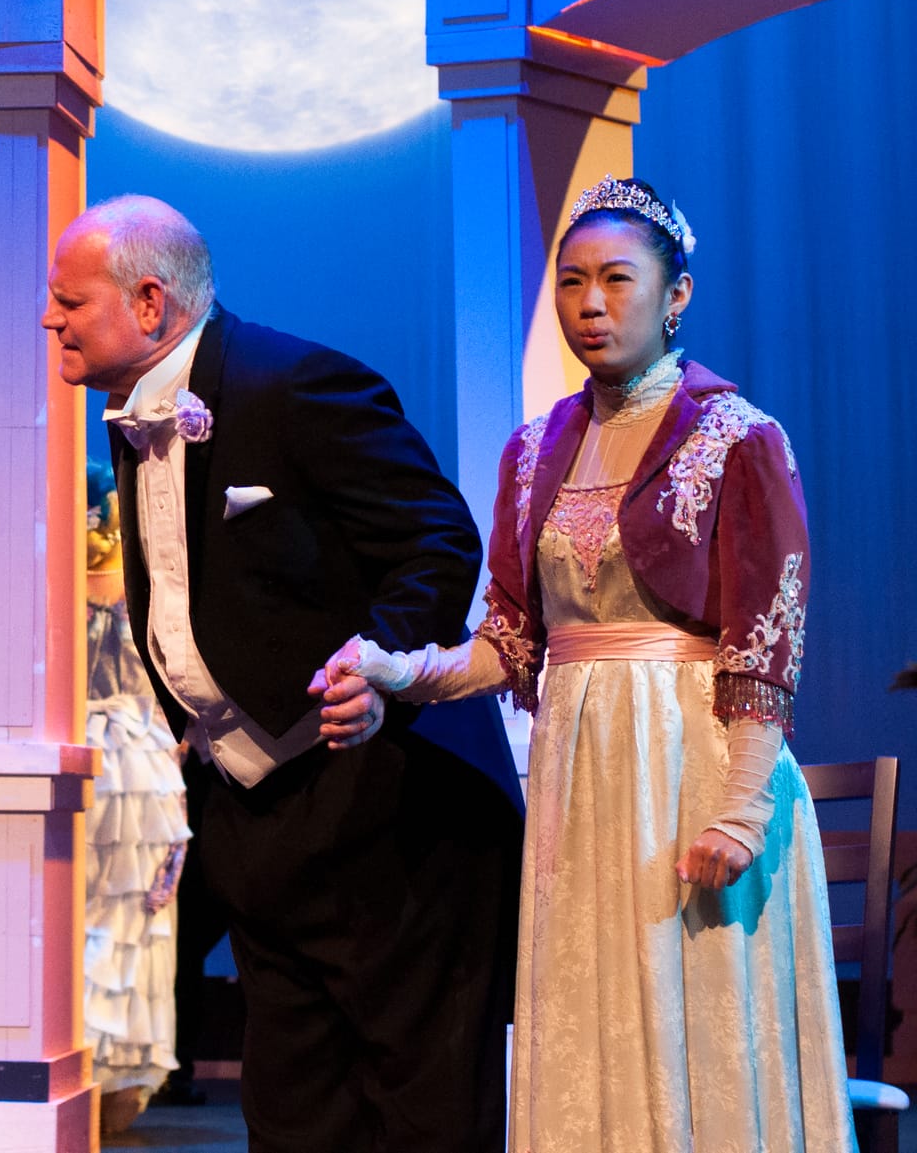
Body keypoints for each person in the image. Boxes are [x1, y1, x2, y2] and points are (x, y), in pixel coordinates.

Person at [327, 176, 855, 1151]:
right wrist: (402, 672)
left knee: (692, 1023)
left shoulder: (737, 438)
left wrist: (739, 807)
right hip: (581, 774)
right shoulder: (533, 452)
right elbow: (511, 647)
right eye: (571, 283)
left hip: (689, 764)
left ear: (675, 295)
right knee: (587, 1014)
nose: (591, 304)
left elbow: (763, 640)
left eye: (617, 279)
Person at [42, 195, 521, 1153]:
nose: (49, 319)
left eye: (68, 300)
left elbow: (437, 535)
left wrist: (379, 660)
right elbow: (201, 590)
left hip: (391, 809)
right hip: (262, 814)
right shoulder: (137, 415)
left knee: (419, 1107)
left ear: (148, 303)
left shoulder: (292, 382)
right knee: (296, 1112)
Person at [82, 461, 190, 1135]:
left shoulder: (146, 587)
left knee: (133, 917)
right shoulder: (59, 591)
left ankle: (113, 1077)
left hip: (142, 770)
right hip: (116, 765)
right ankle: (92, 1067)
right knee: (99, 918)